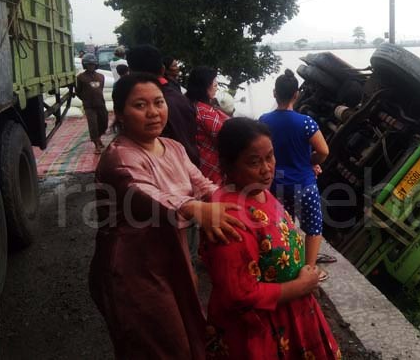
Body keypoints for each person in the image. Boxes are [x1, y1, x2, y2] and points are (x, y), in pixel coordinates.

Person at [89, 73, 245, 359]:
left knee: (189, 333)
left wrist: (243, 204)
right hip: (132, 268)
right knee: (157, 345)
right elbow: (148, 196)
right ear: (120, 114)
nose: (153, 113)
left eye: (159, 102)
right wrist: (195, 208)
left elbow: (203, 185)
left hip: (171, 254)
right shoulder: (120, 158)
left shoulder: (172, 147)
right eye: (140, 105)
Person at [204, 117, 340, 360]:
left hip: (292, 313)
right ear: (227, 165)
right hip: (262, 330)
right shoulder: (229, 216)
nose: (267, 169)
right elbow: (239, 295)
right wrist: (299, 286)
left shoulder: (260, 192)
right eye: (254, 162)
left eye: (270, 157)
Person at [259, 69, 330, 272]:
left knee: (284, 227)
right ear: (296, 95)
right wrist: (309, 162)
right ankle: (308, 270)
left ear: (274, 93)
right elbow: (324, 151)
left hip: (277, 184)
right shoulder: (305, 123)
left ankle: (287, 265)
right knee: (313, 229)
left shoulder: (264, 121)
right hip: (304, 184)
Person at [127, 45, 200, 166]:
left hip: (166, 170)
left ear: (130, 73)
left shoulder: (139, 107)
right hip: (190, 163)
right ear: (162, 70)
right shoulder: (181, 98)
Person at [186, 66, 229, 185]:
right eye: (214, 85)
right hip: (212, 166)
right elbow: (226, 137)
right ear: (204, 87)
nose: (216, 87)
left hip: (200, 162)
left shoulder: (191, 105)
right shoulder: (204, 112)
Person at [75, 53, 107, 154]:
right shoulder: (80, 77)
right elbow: (78, 91)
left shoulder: (101, 77)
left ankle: (99, 138)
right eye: (88, 65)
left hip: (101, 104)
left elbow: (100, 89)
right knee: (93, 125)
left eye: (93, 65)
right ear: (85, 65)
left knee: (104, 123)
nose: (91, 66)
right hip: (89, 106)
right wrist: (86, 99)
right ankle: (96, 144)